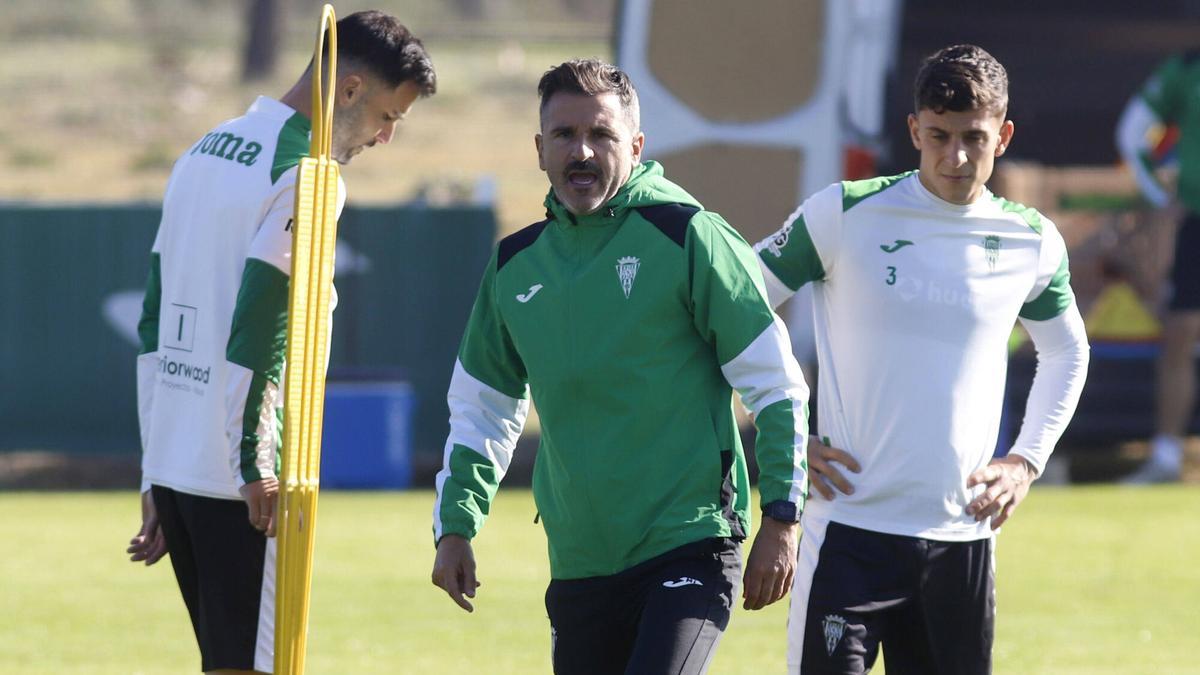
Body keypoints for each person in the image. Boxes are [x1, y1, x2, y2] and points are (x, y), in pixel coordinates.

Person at [430, 58, 810, 674]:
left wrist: (783, 520)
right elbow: (483, 412)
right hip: (579, 561)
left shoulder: (692, 237)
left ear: (634, 145)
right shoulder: (514, 266)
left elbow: (776, 386)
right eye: (564, 136)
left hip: (688, 543)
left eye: (601, 135)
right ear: (539, 148)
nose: (581, 152)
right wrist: (455, 527)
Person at [753, 45, 1089, 673]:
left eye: (974, 138)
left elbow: (1068, 350)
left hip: (961, 539)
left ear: (1004, 134)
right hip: (846, 534)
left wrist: (1025, 460)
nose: (956, 156)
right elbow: (736, 313)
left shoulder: (1032, 240)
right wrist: (789, 438)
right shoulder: (843, 213)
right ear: (913, 130)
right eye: (938, 135)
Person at [125, 11, 435, 674]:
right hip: (245, 480)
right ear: (348, 90)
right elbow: (263, 328)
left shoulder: (205, 148)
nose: (384, 138)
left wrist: (154, 470)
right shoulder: (307, 176)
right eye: (388, 117)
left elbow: (153, 320)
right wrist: (254, 462)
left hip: (180, 468)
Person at [1115, 51, 1200, 483]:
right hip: (1197, 221)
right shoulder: (1185, 70)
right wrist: (1161, 194)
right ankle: (1167, 456)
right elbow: (1133, 133)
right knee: (1183, 330)